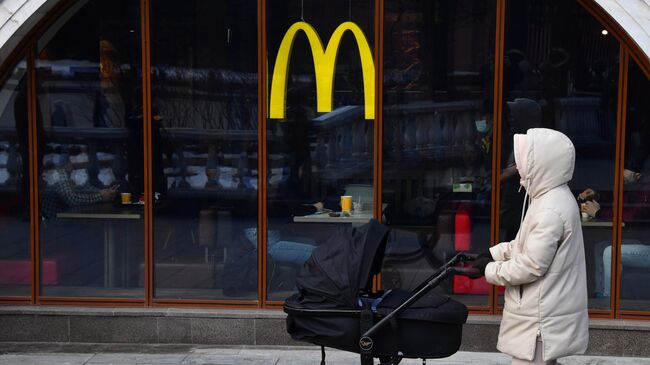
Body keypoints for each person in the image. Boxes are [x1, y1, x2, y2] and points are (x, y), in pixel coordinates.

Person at [472, 128, 588, 364]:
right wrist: (493, 253)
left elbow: (531, 265)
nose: (520, 168)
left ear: (542, 163)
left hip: (539, 319)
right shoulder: (551, 197)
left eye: (525, 162)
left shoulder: (549, 209)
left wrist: (488, 270)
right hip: (544, 313)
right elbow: (526, 243)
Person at [578, 146, 650, 298]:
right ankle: (600, 294)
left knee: (610, 252)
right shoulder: (637, 186)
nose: (620, 174)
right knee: (600, 247)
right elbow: (620, 204)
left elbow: (629, 215)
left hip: (647, 247)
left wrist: (598, 212)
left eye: (624, 170)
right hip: (643, 242)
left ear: (636, 173)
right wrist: (598, 196)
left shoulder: (646, 189)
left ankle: (607, 300)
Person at [41, 152, 119, 220]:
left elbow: (81, 189)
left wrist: (102, 192)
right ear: (70, 161)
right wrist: (100, 196)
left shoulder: (65, 174)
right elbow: (72, 199)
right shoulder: (59, 174)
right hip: (54, 224)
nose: (84, 164)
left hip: (60, 222)